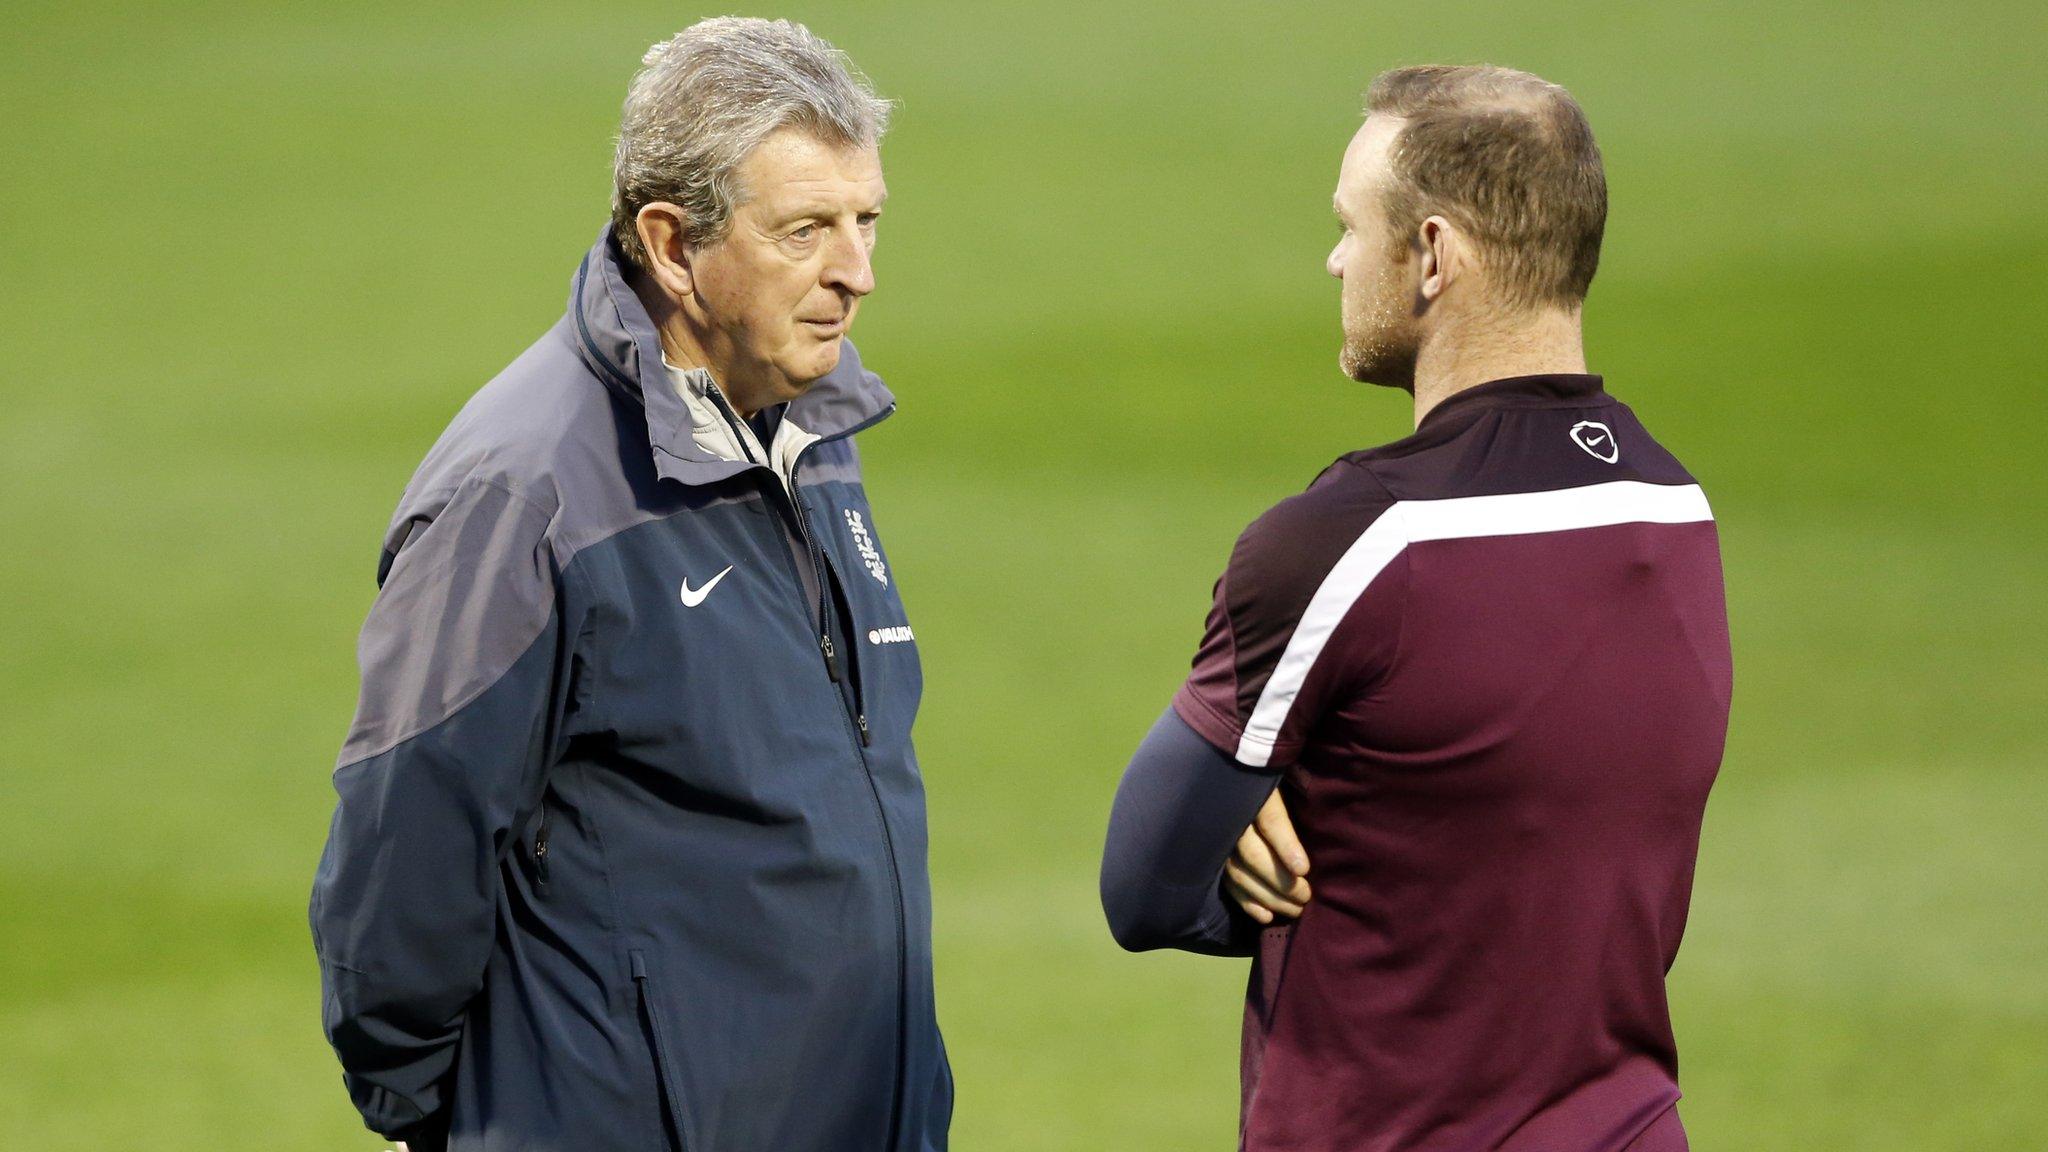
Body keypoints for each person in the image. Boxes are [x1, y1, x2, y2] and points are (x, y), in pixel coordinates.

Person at [309, 18, 950, 1151]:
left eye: (864, 222)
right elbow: (407, 842)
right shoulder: (525, 493)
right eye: (805, 230)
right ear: (670, 244)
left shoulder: (804, 427)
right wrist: (454, 1111)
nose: (855, 273)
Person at [1100, 65, 1731, 1151]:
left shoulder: (1350, 540)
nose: (1335, 259)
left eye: (1351, 225)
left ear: (1432, 254)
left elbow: (1145, 889)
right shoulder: (1675, 508)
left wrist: (1289, 836)